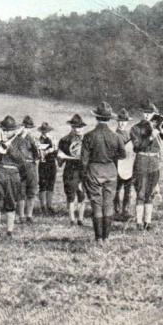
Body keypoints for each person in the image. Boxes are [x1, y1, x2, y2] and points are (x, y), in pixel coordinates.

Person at [81, 102, 126, 244]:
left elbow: (83, 160)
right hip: (111, 171)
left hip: (94, 170)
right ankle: (106, 237)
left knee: (96, 204)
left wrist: (83, 177)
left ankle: (98, 238)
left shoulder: (89, 136)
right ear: (109, 119)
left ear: (96, 118)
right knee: (108, 204)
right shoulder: (116, 136)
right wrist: (111, 157)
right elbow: (123, 155)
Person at [130, 100, 163, 230]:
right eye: (145, 113)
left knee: (151, 193)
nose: (147, 115)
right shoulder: (136, 128)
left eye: (150, 113)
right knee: (141, 192)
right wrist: (150, 138)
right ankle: (138, 223)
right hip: (142, 160)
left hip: (154, 162)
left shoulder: (156, 126)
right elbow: (136, 147)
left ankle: (148, 222)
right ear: (142, 113)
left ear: (154, 114)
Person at [0, 115, 26, 237]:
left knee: (11, 200)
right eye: (4, 130)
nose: (7, 132)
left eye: (9, 130)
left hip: (12, 173)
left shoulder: (20, 141)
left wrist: (9, 148)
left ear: (14, 130)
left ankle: (9, 231)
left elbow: (21, 160)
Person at [57, 114, 88, 226]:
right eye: (75, 127)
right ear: (72, 127)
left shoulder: (87, 139)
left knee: (82, 194)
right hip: (71, 170)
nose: (78, 129)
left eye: (80, 127)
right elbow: (60, 160)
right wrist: (61, 158)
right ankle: (72, 219)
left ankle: (80, 219)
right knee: (71, 195)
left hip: (84, 170)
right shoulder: (65, 140)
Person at [14, 116, 41, 223]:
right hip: (21, 165)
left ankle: (29, 215)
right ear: (22, 127)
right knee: (21, 191)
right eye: (26, 127)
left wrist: (37, 148)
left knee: (32, 190)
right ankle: (21, 216)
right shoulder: (16, 138)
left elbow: (37, 156)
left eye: (30, 128)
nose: (28, 130)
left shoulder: (33, 138)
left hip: (32, 166)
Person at [113, 109, 134, 218]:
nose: (122, 123)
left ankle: (125, 210)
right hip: (117, 164)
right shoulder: (113, 135)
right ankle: (116, 210)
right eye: (120, 121)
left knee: (128, 188)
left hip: (128, 165)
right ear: (117, 121)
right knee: (116, 188)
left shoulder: (130, 135)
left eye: (124, 121)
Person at [36, 122, 58, 215]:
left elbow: (56, 152)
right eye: (44, 131)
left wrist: (55, 148)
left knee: (51, 184)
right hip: (43, 163)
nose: (45, 133)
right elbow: (38, 153)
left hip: (52, 163)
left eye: (47, 131)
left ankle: (49, 205)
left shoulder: (53, 139)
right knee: (43, 184)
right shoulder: (38, 140)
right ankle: (43, 206)